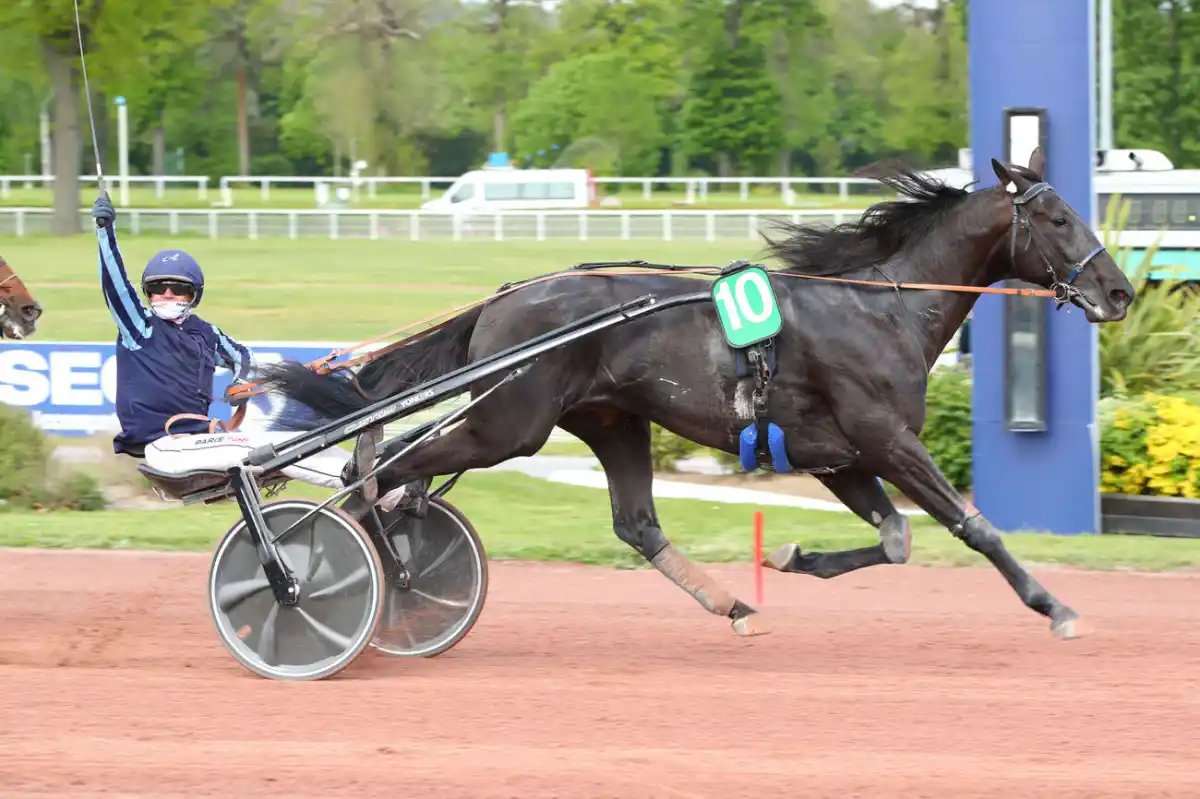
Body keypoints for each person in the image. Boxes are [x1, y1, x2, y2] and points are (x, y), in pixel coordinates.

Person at [93, 192, 358, 490]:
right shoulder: (139, 327)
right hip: (165, 446)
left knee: (298, 441)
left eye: (177, 288)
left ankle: (391, 489)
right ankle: (363, 483)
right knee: (266, 449)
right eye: (157, 288)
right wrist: (105, 232)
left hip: (201, 440)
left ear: (194, 295)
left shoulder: (207, 333)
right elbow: (115, 284)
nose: (166, 294)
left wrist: (240, 385)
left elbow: (243, 357)